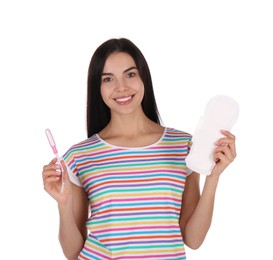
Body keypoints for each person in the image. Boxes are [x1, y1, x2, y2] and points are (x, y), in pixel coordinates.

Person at [42, 38, 236, 260]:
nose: (121, 87)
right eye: (108, 79)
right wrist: (64, 205)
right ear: (98, 87)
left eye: (130, 74)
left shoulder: (183, 146)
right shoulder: (79, 156)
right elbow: (72, 252)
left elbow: (193, 239)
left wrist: (212, 177)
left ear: (144, 77)